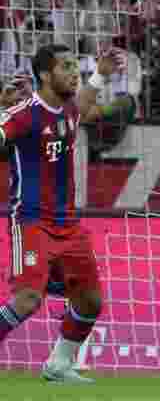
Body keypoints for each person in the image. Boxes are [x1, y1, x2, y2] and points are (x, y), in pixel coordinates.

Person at [0, 43, 121, 383]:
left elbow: (82, 106)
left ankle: (59, 365)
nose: (73, 72)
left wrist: (101, 74)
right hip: (32, 221)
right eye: (66, 66)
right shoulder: (22, 113)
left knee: (90, 301)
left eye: (75, 66)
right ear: (44, 74)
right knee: (26, 300)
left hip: (68, 224)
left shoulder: (67, 109)